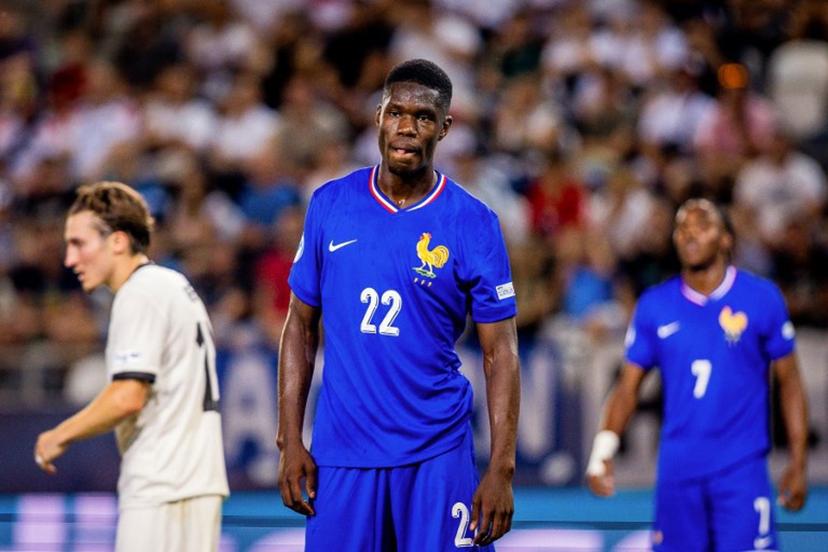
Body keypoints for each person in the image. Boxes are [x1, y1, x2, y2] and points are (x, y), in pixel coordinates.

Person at [278, 58, 520, 551]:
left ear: (444, 128)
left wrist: (501, 468)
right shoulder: (330, 204)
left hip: (436, 450)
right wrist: (289, 440)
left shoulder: (474, 221)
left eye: (423, 117)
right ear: (378, 118)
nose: (406, 127)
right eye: (396, 113)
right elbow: (299, 326)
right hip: (343, 451)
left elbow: (501, 353)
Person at [586, 198, 809, 551]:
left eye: (703, 227)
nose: (690, 235)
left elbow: (790, 381)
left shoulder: (761, 297)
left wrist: (798, 461)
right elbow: (627, 387)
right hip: (678, 472)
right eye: (682, 228)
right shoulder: (655, 305)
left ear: (726, 239)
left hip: (740, 470)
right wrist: (603, 450)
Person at [34, 181, 229, 552]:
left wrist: (59, 435)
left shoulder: (138, 293)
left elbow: (127, 396)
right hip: (193, 481)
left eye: (79, 243)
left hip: (162, 484)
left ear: (118, 241)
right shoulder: (172, 284)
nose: (69, 259)